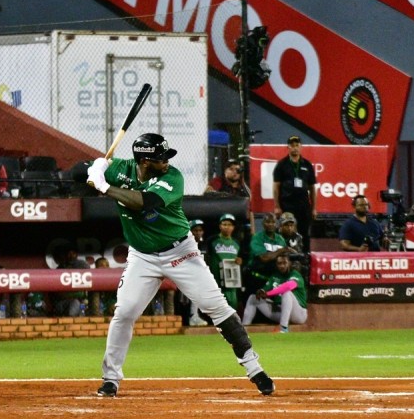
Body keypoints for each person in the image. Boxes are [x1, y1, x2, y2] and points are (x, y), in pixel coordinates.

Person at [86, 132, 274, 397]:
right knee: (124, 312)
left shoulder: (172, 177)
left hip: (180, 252)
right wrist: (96, 166)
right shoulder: (121, 169)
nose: (166, 162)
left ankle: (254, 368)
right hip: (142, 256)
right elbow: (77, 172)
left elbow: (144, 203)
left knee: (216, 307)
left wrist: (104, 187)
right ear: (144, 161)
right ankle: (110, 379)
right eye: (160, 158)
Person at [273, 135, 317, 252]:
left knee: (304, 233)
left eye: (297, 145)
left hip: (303, 206)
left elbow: (312, 188)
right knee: (286, 233)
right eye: (292, 145)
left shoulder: (307, 165)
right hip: (287, 206)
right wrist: (277, 206)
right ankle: (286, 255)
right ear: (288, 147)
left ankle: (306, 256)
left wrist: (313, 208)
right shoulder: (282, 165)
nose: (295, 148)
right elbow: (276, 187)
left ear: (301, 147)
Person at [242, 255, 307, 333]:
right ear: (276, 265)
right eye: (279, 263)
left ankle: (283, 328)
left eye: (284, 263)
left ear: (289, 263)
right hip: (280, 312)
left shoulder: (295, 274)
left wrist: (268, 294)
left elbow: (288, 286)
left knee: (287, 293)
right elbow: (266, 289)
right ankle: (243, 330)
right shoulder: (275, 276)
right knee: (253, 298)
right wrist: (261, 291)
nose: (282, 266)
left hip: (298, 314)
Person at [246, 213, 293, 294]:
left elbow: (284, 258)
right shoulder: (257, 238)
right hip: (257, 279)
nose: (270, 224)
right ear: (263, 223)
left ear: (277, 224)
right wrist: (281, 250)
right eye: (268, 222)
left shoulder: (280, 239)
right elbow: (264, 258)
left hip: (273, 280)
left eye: (273, 222)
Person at [206, 213, 243, 311]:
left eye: (230, 225)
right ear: (220, 226)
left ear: (233, 227)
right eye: (224, 224)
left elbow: (241, 258)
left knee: (232, 306)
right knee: (216, 307)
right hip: (215, 280)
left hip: (231, 281)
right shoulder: (212, 240)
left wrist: (240, 260)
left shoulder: (237, 242)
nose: (227, 227)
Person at [182, 218, 208, 326]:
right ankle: (189, 318)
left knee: (197, 296)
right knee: (185, 300)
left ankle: (194, 316)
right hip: (186, 275)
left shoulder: (204, 245)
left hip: (200, 275)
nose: (198, 233)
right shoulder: (184, 244)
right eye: (195, 230)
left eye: (200, 230)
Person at [52, 242, 89, 317]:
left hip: (79, 300)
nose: (71, 255)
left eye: (73, 253)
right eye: (69, 253)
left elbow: (90, 281)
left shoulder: (82, 265)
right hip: (63, 301)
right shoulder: (60, 268)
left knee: (76, 306)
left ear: (76, 254)